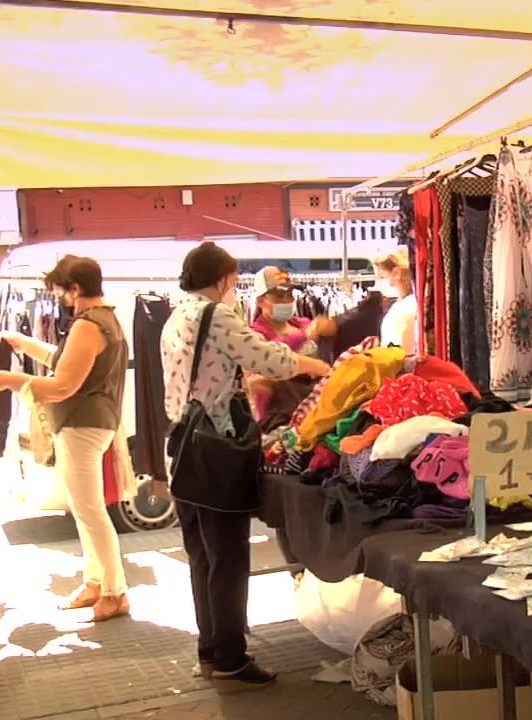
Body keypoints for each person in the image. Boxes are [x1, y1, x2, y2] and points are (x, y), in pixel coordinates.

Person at [160, 242, 328, 691]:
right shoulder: (215, 315)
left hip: (183, 445)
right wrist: (312, 363)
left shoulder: (177, 316)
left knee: (202, 555)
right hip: (217, 448)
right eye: (232, 279)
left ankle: (211, 651)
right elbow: (267, 356)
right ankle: (232, 658)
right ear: (223, 280)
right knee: (229, 556)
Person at [0, 255, 131, 622]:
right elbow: (66, 364)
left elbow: (63, 385)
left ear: (75, 289)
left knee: (91, 512)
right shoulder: (104, 320)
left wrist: (6, 380)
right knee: (85, 509)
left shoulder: (87, 325)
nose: (60, 297)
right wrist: (24, 344)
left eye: (61, 289)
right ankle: (97, 583)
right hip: (90, 423)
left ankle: (114, 591)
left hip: (82, 425)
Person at [246, 266, 334, 423]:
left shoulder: (304, 323)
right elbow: (256, 379)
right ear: (260, 301)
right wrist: (306, 365)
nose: (288, 301)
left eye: (290, 294)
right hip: (280, 419)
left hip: (316, 413)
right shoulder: (254, 337)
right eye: (279, 297)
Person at [374, 248, 417, 353]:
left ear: (396, 273)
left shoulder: (406, 307)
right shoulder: (405, 304)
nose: (388, 283)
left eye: (383, 276)